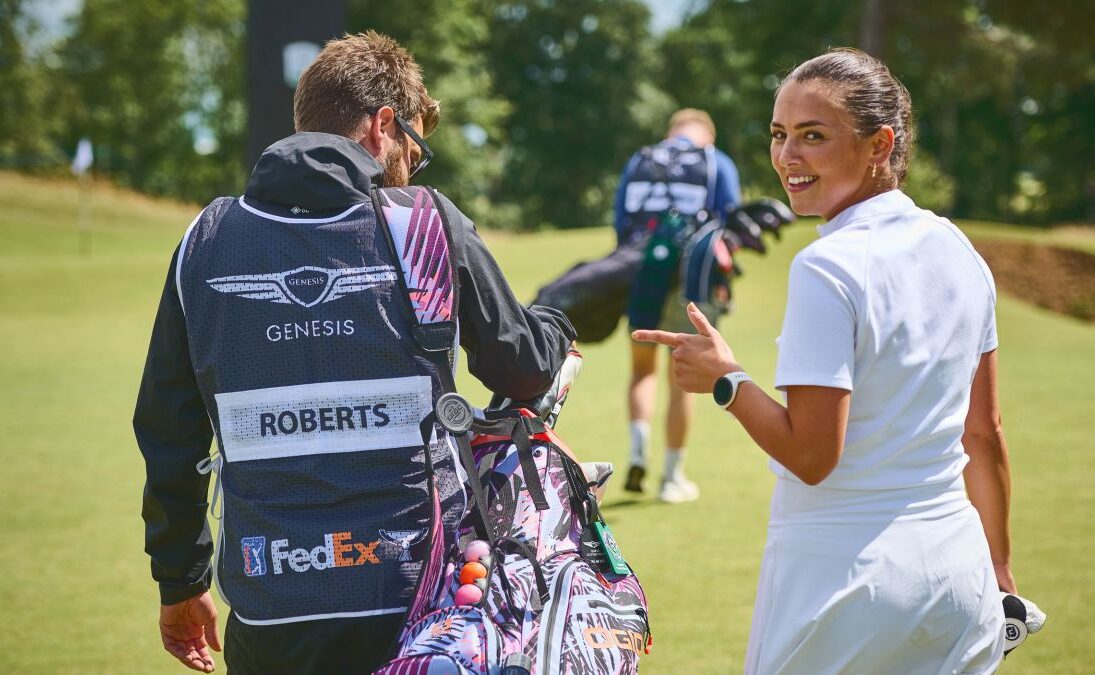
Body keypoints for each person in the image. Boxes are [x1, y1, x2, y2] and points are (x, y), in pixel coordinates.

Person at [134, 31, 575, 674]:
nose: (410, 172)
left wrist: (179, 580)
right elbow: (525, 365)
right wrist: (558, 321)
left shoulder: (205, 240)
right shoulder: (423, 221)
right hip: (420, 604)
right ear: (384, 125)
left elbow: (168, 431)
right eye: (414, 152)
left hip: (270, 607)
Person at [634, 48, 1015, 672]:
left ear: (879, 145)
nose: (787, 157)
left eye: (813, 135)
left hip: (845, 581)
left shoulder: (826, 265)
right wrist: (998, 567)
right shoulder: (958, 247)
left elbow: (813, 456)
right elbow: (986, 432)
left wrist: (727, 381)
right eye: (780, 135)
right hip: (959, 573)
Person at [615, 108, 741, 503]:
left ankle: (638, 449)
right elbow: (731, 224)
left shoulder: (641, 159)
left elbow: (621, 221)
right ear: (708, 136)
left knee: (641, 370)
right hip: (691, 282)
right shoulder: (715, 161)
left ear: (671, 134)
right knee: (682, 379)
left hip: (640, 273)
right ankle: (672, 478)